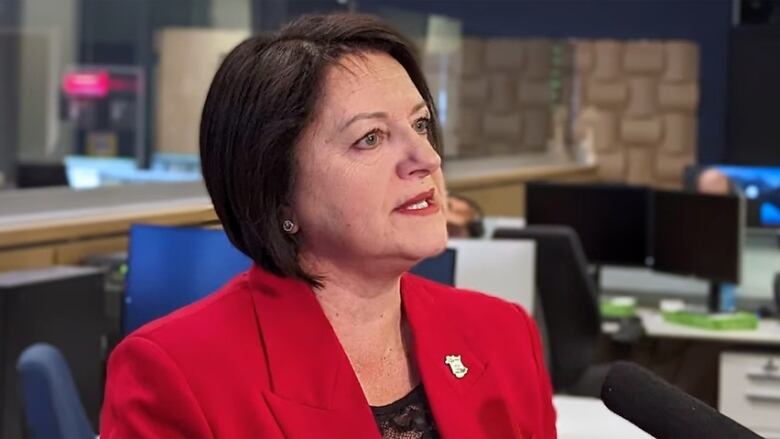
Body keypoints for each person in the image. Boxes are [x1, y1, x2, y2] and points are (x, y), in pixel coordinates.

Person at [100, 13, 555, 438]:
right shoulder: (175, 374)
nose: (427, 159)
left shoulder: (504, 333)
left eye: (420, 124)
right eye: (370, 138)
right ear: (277, 187)